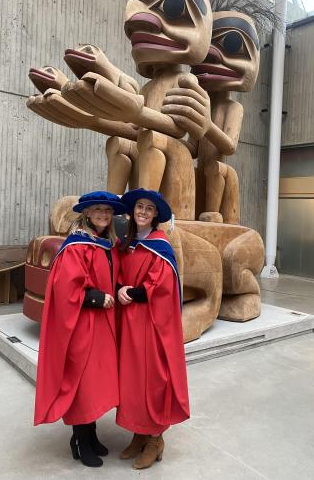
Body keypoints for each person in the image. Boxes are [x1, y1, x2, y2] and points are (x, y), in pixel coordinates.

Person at [34, 191, 128, 468]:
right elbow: (65, 288)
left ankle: (92, 434)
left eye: (108, 211)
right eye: (98, 209)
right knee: (82, 384)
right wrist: (96, 297)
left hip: (102, 325)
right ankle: (79, 440)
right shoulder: (77, 245)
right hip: (82, 323)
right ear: (87, 213)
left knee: (95, 384)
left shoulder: (107, 244)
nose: (103, 214)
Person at [117, 188, 190, 470]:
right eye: (139, 207)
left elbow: (160, 288)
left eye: (149, 208)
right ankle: (138, 433)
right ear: (133, 211)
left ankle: (154, 439)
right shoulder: (127, 242)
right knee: (133, 380)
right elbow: (116, 274)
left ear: (156, 215)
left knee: (153, 379)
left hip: (151, 325)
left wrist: (131, 293)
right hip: (130, 324)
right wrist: (118, 289)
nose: (143, 212)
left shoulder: (160, 245)